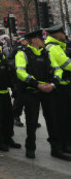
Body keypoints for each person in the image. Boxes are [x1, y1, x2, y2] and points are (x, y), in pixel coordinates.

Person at [16, 29, 71, 160]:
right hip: (32, 91)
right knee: (32, 121)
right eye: (41, 39)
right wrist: (37, 84)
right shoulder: (22, 53)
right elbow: (21, 73)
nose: (43, 41)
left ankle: (56, 149)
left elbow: (57, 69)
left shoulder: (46, 53)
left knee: (53, 120)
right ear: (34, 40)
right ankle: (30, 147)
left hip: (48, 90)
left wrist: (53, 84)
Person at [45, 24, 71, 153]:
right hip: (59, 87)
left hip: (62, 86)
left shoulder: (58, 47)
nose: (64, 35)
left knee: (65, 117)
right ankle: (63, 145)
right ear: (56, 34)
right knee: (63, 117)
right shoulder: (54, 48)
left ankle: (66, 144)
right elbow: (67, 65)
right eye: (62, 33)